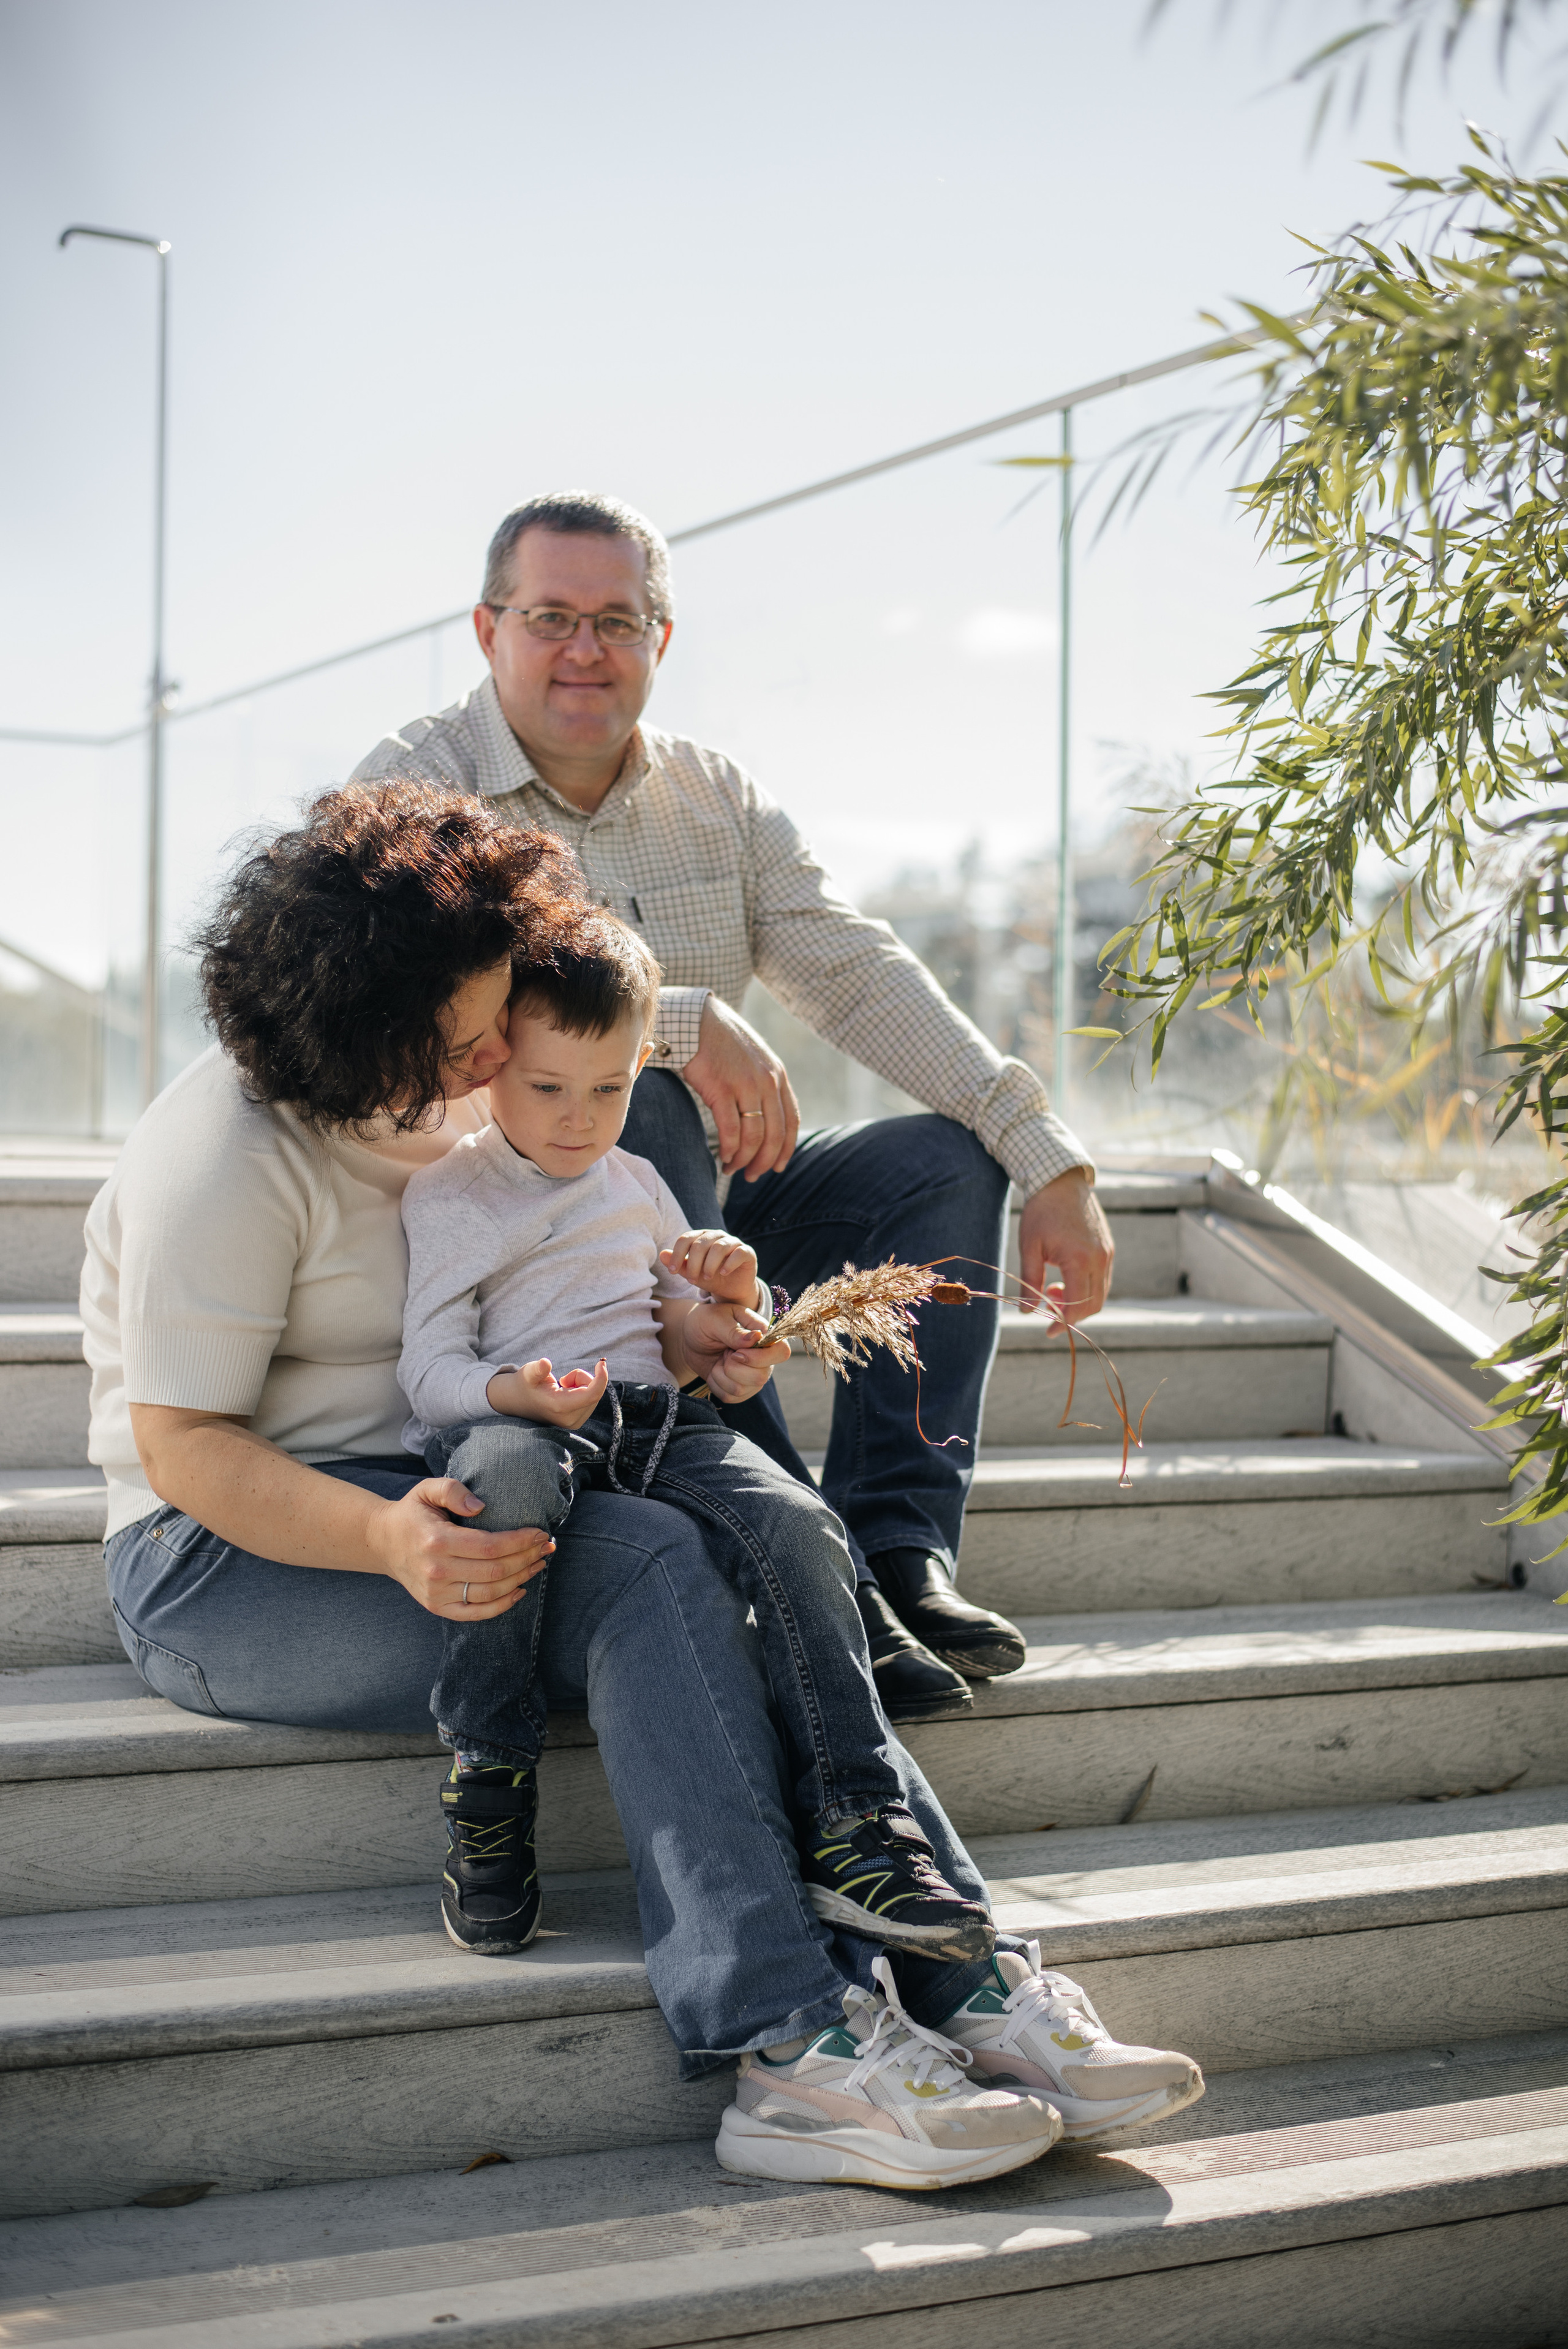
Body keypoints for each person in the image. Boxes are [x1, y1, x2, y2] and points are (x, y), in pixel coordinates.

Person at [81, 776, 1202, 2188]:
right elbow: (185, 1449)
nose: (502, 1041)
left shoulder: (475, 1104)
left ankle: (964, 1976)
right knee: (657, 1577)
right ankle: (792, 2048)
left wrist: (688, 1331)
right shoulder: (229, 1155)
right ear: (379, 1021)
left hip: (470, 1468)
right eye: (474, 1021)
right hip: (225, 1550)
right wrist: (385, 1540)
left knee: (756, 1552)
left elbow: (574, 1163)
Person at [351, 491, 1117, 1727]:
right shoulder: (412, 791)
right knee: (639, 1103)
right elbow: (423, 1003)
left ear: (661, 639)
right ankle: (801, 1557)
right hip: (514, 1219)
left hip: (695, 1207)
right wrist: (680, 1023)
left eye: (616, 619)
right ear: (488, 628)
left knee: (939, 1162)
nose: (583, 648)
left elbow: (857, 973)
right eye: (550, 616)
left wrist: (1047, 1157)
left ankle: (899, 1557)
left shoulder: (716, 798)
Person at [399, 904, 991, 1965]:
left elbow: (681, 1340)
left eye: (612, 1088)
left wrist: (729, 1329)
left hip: (656, 1421)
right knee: (498, 1481)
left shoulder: (639, 1182)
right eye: (548, 1087)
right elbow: (427, 1371)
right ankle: (489, 1779)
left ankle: (858, 1815)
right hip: (524, 1429)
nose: (582, 1118)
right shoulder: (452, 1194)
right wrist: (514, 1396)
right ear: (493, 1069)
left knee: (801, 1522)